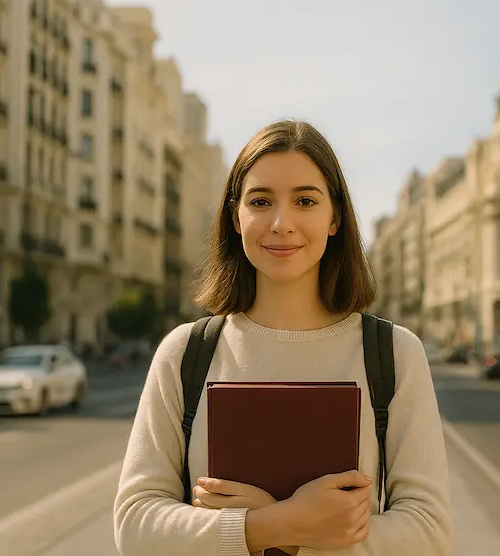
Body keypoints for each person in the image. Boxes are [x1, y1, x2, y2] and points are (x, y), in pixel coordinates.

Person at [114, 120, 453, 555]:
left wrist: (284, 535)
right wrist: (275, 523)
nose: (281, 223)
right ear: (236, 217)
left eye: (305, 201)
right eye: (260, 201)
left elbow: (430, 534)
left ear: (335, 219)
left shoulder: (394, 354)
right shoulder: (184, 352)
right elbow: (135, 526)